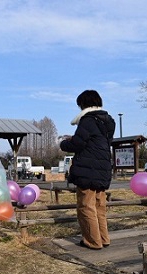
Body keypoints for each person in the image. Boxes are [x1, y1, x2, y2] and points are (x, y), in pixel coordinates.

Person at [60, 90, 115, 250]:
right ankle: (103, 239)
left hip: (87, 169)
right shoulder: (108, 121)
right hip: (103, 168)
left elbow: (78, 144)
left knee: (86, 206)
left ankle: (92, 241)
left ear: (83, 104)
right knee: (99, 206)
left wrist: (64, 143)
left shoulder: (88, 120)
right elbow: (94, 141)